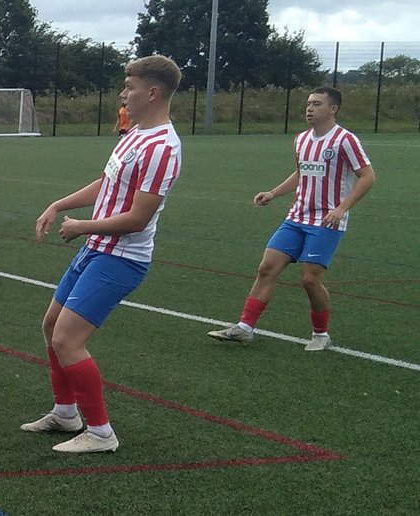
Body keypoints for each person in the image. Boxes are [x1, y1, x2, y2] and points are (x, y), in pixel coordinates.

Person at [23, 55, 183, 453]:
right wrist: (60, 205)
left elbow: (139, 219)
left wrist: (81, 227)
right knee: (51, 326)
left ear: (152, 92)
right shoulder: (134, 134)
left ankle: (100, 433)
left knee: (68, 339)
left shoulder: (164, 147)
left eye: (129, 86)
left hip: (121, 258)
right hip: (98, 249)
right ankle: (65, 413)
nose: (122, 94)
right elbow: (106, 182)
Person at [206, 86, 375, 352]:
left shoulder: (345, 140)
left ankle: (321, 334)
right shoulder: (301, 139)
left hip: (326, 221)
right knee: (266, 268)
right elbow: (301, 173)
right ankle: (245, 328)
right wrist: (273, 193)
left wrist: (342, 208)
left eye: (317, 104)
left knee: (309, 279)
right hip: (296, 217)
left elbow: (368, 177)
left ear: (333, 109)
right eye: (308, 103)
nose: (310, 108)